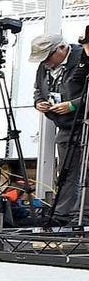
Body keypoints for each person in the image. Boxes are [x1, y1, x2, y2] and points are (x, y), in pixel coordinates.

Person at [30, 32, 88, 225]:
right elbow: (38, 89)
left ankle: (83, 214)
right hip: (65, 126)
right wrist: (39, 102)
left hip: (84, 122)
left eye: (47, 57)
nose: (45, 62)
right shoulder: (44, 67)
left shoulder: (83, 59)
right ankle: (63, 214)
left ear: (61, 49)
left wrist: (73, 105)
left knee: (85, 172)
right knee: (66, 171)